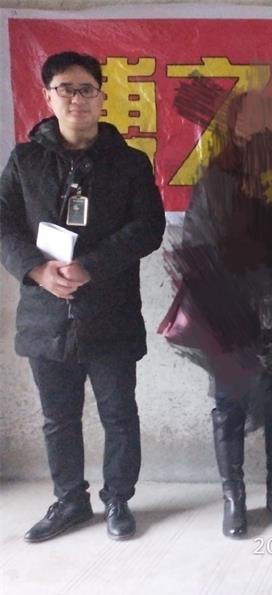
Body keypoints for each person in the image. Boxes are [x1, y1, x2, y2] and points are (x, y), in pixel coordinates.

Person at [0, 51, 166, 542]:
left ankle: (118, 500)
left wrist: (91, 266)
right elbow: (4, 223)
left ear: (101, 96)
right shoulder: (25, 161)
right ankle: (70, 501)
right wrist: (36, 270)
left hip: (109, 309)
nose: (77, 98)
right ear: (48, 97)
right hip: (45, 313)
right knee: (58, 419)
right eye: (66, 89)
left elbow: (148, 227)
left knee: (119, 414)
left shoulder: (129, 162)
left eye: (86, 89)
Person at [172, 91, 272, 537]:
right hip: (230, 314)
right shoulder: (214, 180)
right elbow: (194, 247)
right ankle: (233, 497)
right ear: (233, 130)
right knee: (229, 407)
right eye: (248, 122)